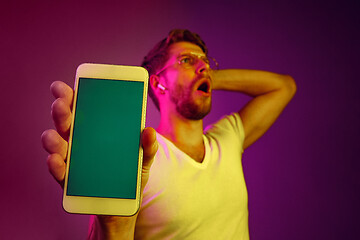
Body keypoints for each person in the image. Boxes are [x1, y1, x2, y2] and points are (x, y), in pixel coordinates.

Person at [41, 29, 296, 239]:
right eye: (186, 60)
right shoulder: (137, 158)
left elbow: (283, 87)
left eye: (206, 61)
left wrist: (205, 75)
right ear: (157, 82)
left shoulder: (227, 137)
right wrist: (114, 226)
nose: (202, 67)